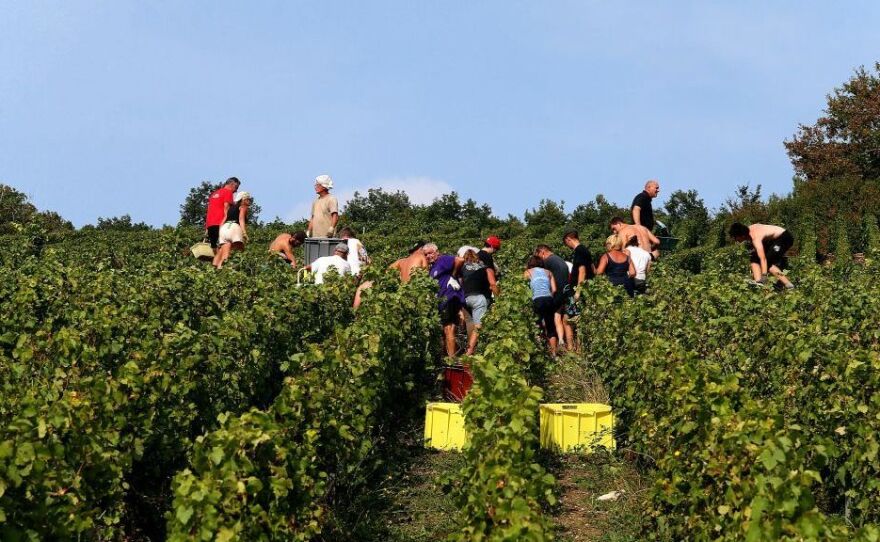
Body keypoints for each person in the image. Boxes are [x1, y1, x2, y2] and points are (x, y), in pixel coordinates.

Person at [423, 243, 465, 358]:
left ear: (437, 252)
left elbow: (460, 260)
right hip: (441, 302)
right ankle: (445, 358)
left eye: (430, 253)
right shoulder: (433, 267)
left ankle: (451, 360)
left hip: (448, 298)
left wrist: (453, 275)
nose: (428, 256)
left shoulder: (443, 259)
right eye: (426, 254)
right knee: (442, 331)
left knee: (448, 329)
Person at [729, 223, 795, 289]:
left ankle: (789, 285)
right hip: (773, 239)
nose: (736, 240)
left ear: (742, 235)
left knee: (768, 262)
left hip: (785, 238)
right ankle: (758, 282)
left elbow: (763, 259)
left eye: (735, 237)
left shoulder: (756, 238)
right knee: (754, 257)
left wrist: (764, 275)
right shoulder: (748, 231)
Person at [534, 244, 573, 351]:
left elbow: (545, 278)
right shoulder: (559, 259)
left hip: (557, 293)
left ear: (542, 252)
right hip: (566, 292)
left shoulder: (548, 262)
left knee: (550, 319)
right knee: (562, 318)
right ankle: (564, 342)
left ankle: (553, 344)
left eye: (538, 256)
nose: (539, 260)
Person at [524, 255, 558, 356]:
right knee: (550, 327)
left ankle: (540, 352)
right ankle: (554, 354)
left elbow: (523, 288)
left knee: (537, 325)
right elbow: (554, 289)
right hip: (548, 299)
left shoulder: (528, 272)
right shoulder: (548, 272)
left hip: (536, 299)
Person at [460, 249, 490, 355]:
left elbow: (461, 282)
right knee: (478, 326)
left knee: (470, 323)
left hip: (466, 298)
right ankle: (470, 351)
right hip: (478, 297)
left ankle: (470, 347)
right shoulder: (482, 267)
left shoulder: (462, 267)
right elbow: (489, 283)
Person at [213, 190, 251, 269]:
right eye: (248, 199)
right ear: (243, 200)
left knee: (224, 252)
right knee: (241, 251)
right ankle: (239, 268)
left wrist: (219, 234)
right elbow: (241, 219)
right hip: (234, 228)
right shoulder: (243, 207)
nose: (249, 201)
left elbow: (223, 220)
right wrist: (244, 233)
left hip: (224, 229)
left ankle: (217, 269)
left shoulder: (230, 208)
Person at [205, 177, 240, 251]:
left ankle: (215, 261)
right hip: (220, 223)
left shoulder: (214, 194)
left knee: (214, 247)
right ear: (231, 184)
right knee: (226, 247)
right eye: (236, 187)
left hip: (210, 224)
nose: (236, 190)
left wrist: (206, 227)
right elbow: (226, 207)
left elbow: (209, 210)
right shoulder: (228, 192)